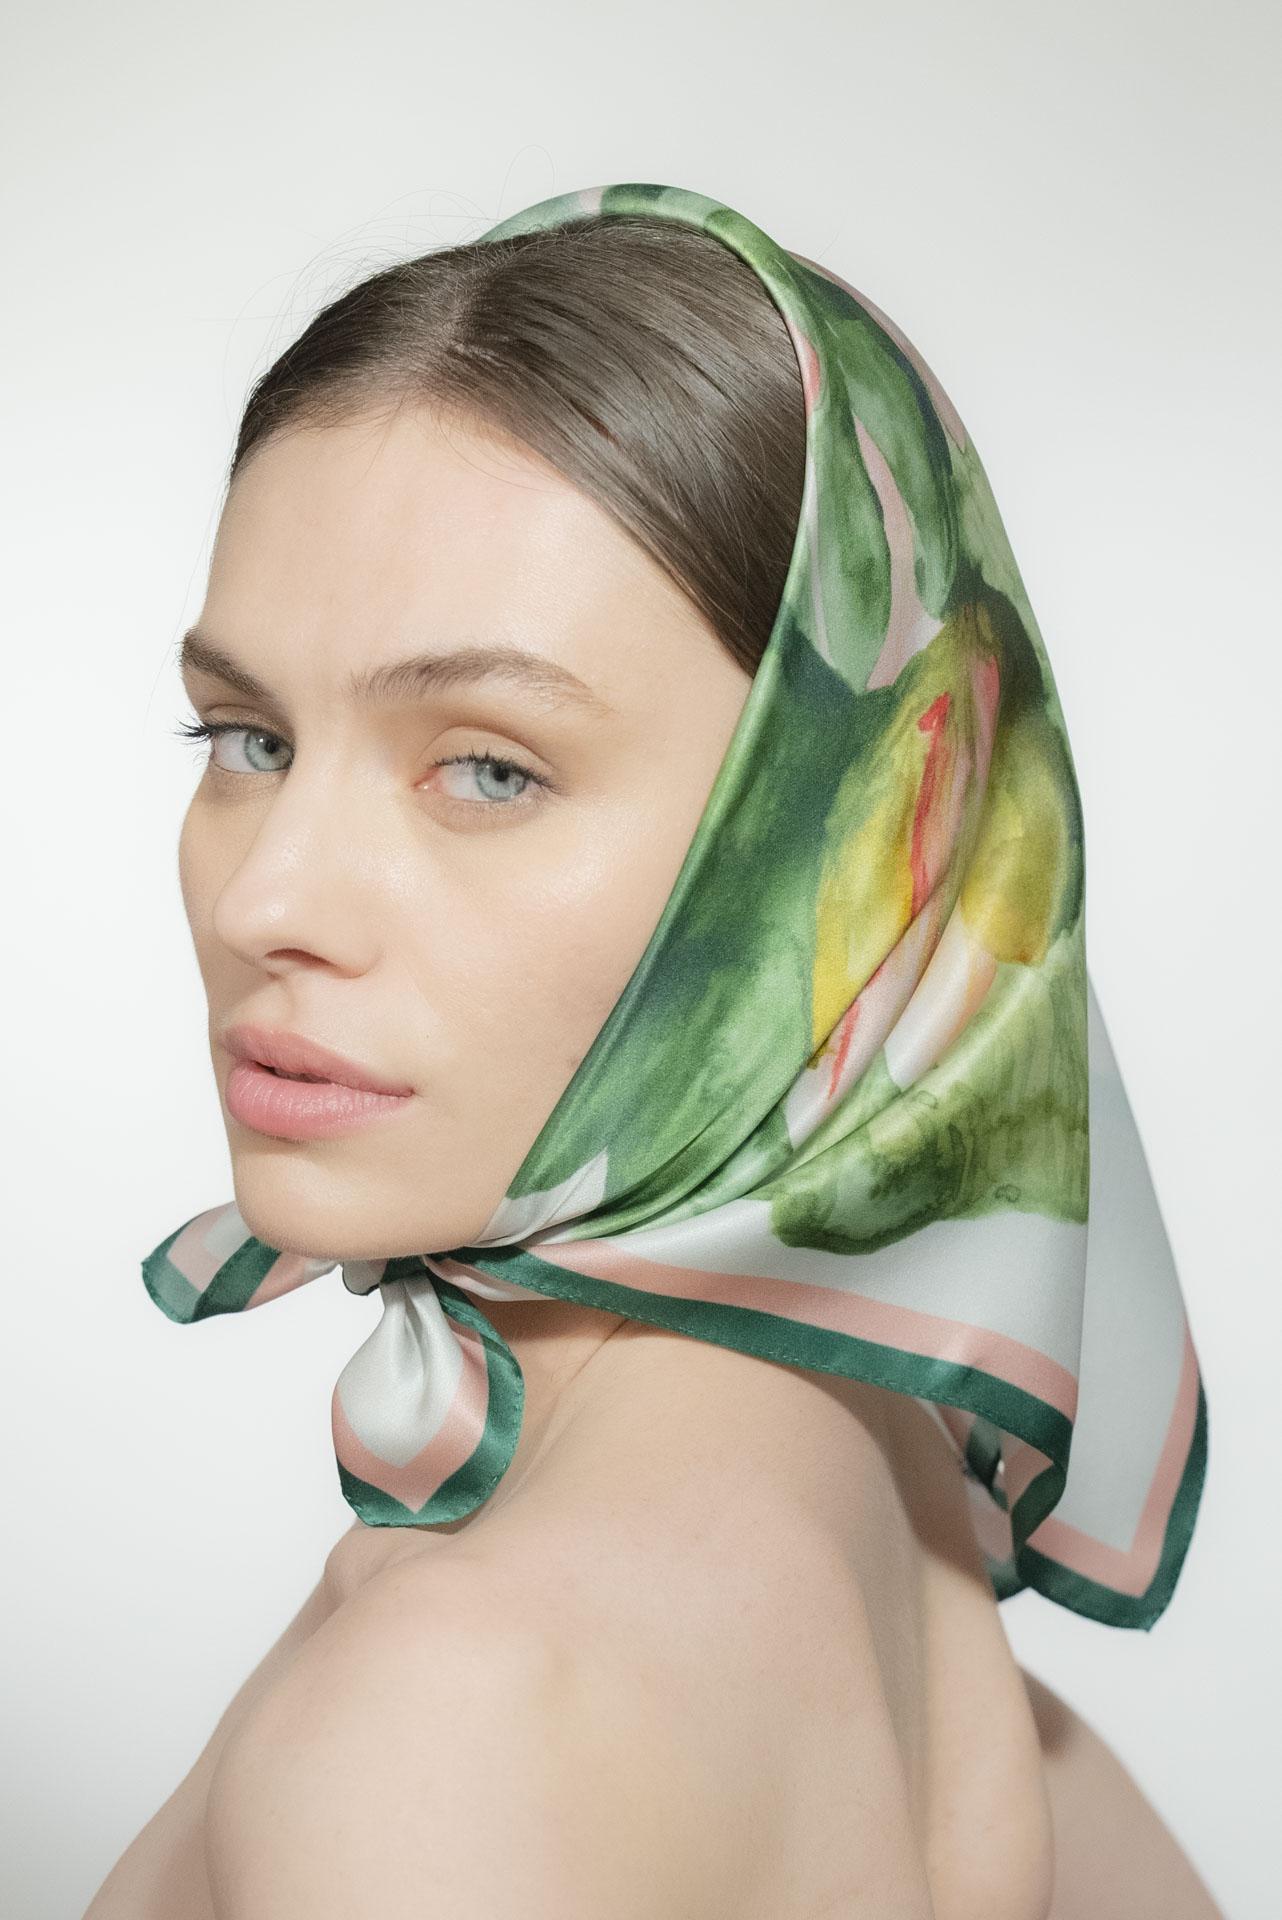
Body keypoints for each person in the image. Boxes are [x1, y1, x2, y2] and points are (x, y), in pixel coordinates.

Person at [84, 184, 1218, 1919]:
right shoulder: (949, 1660)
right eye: (246, 739)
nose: (267, 900)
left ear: (868, 843)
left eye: (488, 768)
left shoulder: (449, 1726)